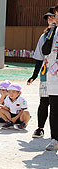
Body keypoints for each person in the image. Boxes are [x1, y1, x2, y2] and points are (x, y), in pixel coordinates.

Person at [27, 7, 55, 139]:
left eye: (53, 16)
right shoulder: (44, 36)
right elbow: (40, 56)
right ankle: (40, 128)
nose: (51, 20)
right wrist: (34, 75)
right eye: (49, 18)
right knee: (44, 102)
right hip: (46, 74)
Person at [40, 4, 58, 151]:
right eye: (55, 15)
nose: (55, 19)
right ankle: (55, 139)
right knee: (54, 109)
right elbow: (45, 50)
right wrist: (51, 32)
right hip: (54, 77)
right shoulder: (53, 32)